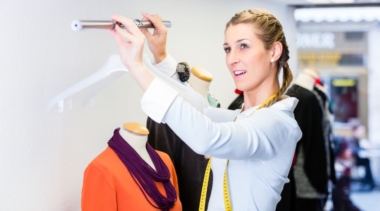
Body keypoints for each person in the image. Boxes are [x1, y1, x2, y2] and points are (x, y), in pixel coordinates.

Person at [109, 9, 302, 211]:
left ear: (274, 51)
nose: (231, 59)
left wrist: (136, 66)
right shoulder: (243, 117)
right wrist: (161, 56)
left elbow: (207, 137)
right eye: (228, 49)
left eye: (243, 46)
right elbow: (199, 109)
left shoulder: (278, 123)